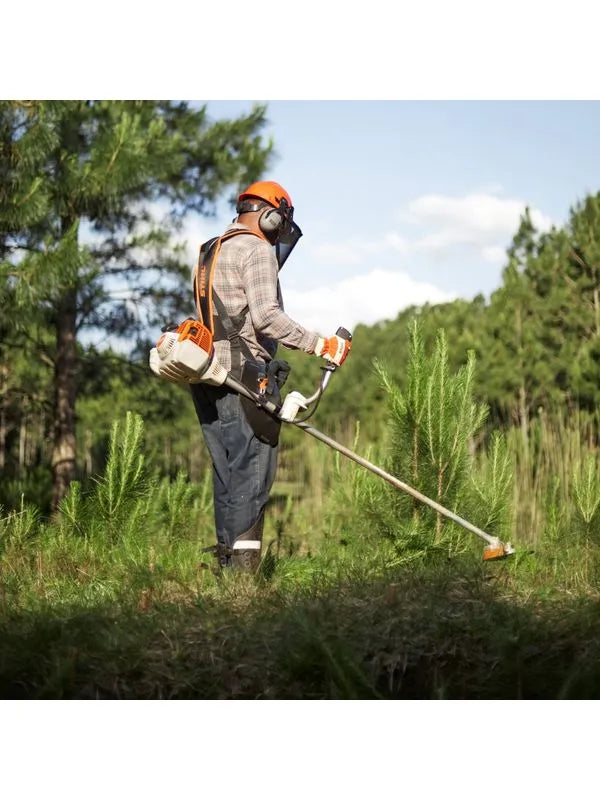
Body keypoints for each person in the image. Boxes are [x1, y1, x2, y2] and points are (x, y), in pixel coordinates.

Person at [190, 180, 351, 571]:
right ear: (271, 215)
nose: (278, 235)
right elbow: (266, 317)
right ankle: (244, 586)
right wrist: (320, 345)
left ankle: (228, 573)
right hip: (243, 377)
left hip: (206, 372)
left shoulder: (211, 250)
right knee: (252, 474)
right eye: (279, 225)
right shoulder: (257, 249)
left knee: (227, 476)